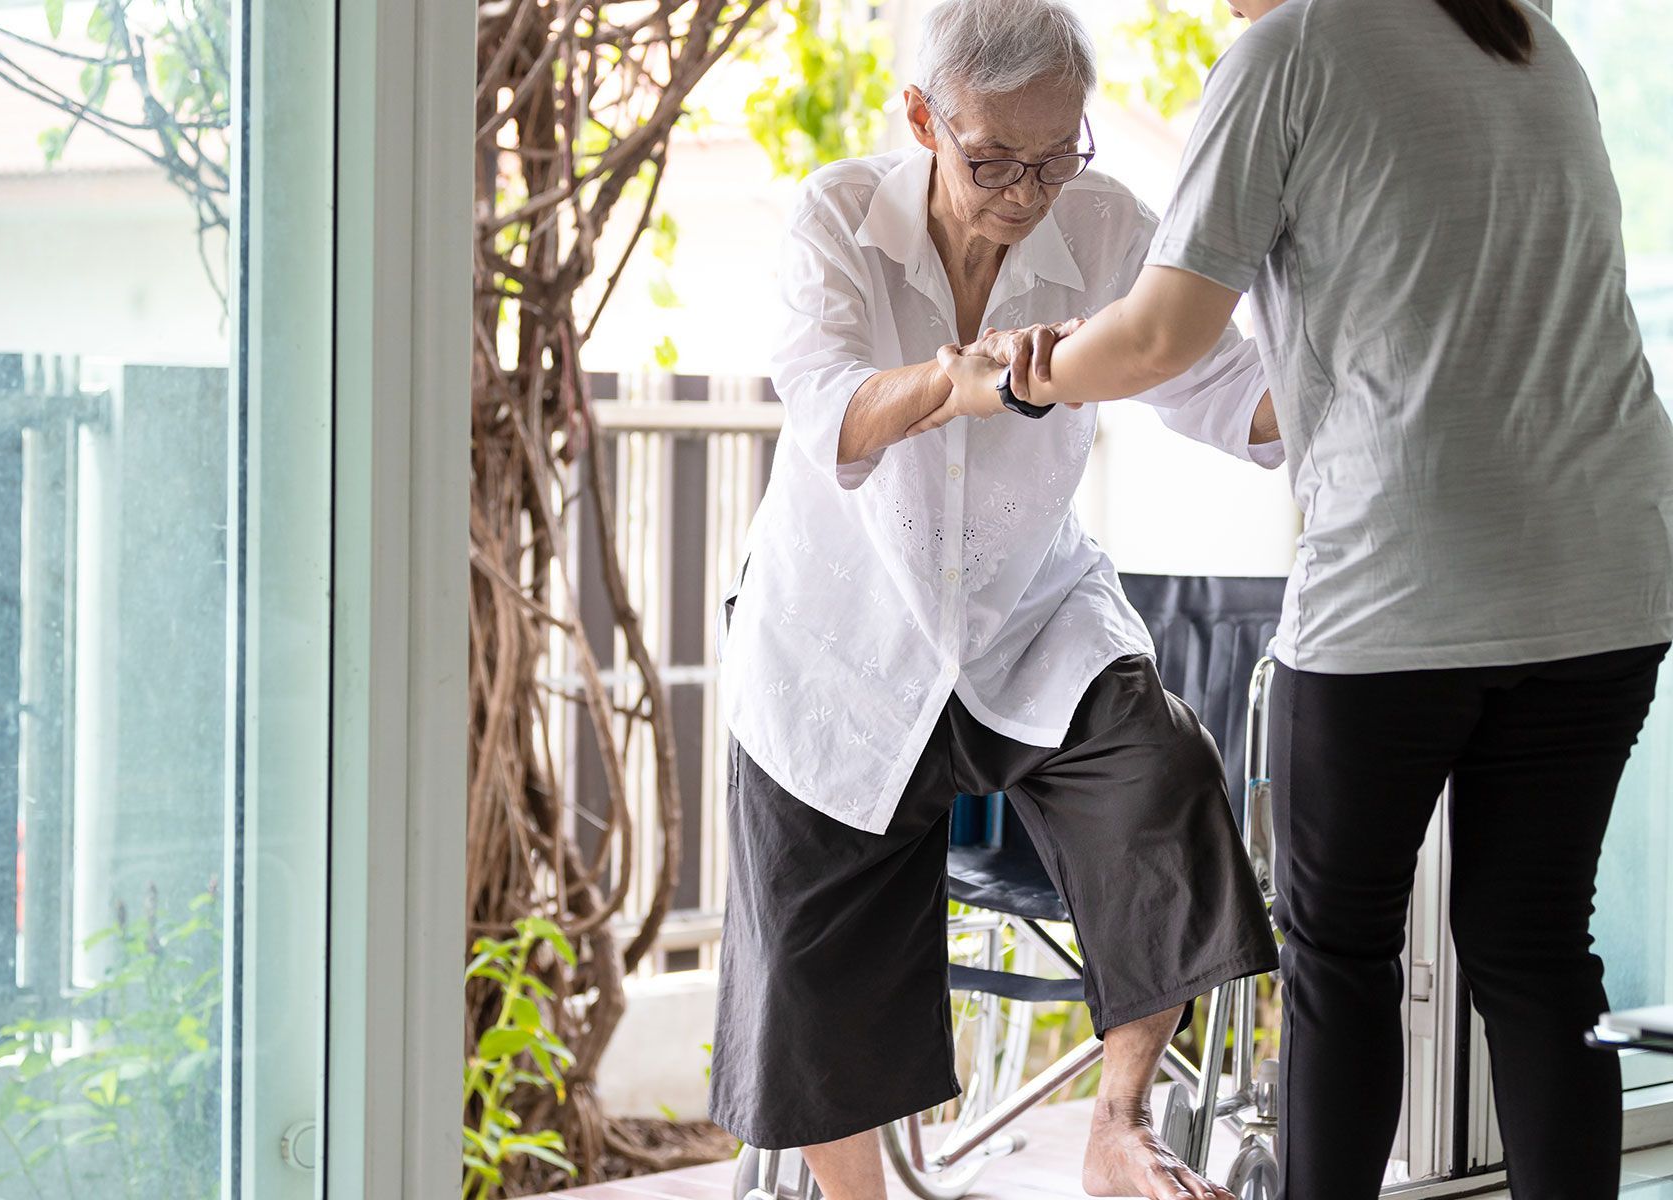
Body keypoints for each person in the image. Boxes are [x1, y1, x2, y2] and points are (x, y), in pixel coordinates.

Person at [941, 1, 1673, 1197]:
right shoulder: (1530, 37)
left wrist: (1026, 375)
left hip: (1408, 574)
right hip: (1607, 567)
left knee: (1340, 960)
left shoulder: (1289, 54)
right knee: (1539, 957)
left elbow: (1170, 331)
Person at [709, 2, 1287, 1197]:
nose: (1027, 193)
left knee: (1160, 780)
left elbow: (1224, 387)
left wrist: (1382, 388)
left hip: (1033, 617)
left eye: (1056, 155)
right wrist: (947, 385)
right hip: (841, 642)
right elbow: (826, 415)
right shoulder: (837, 217)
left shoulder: (1108, 223)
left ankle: (1119, 1126)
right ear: (925, 118)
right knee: (818, 969)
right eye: (993, 162)